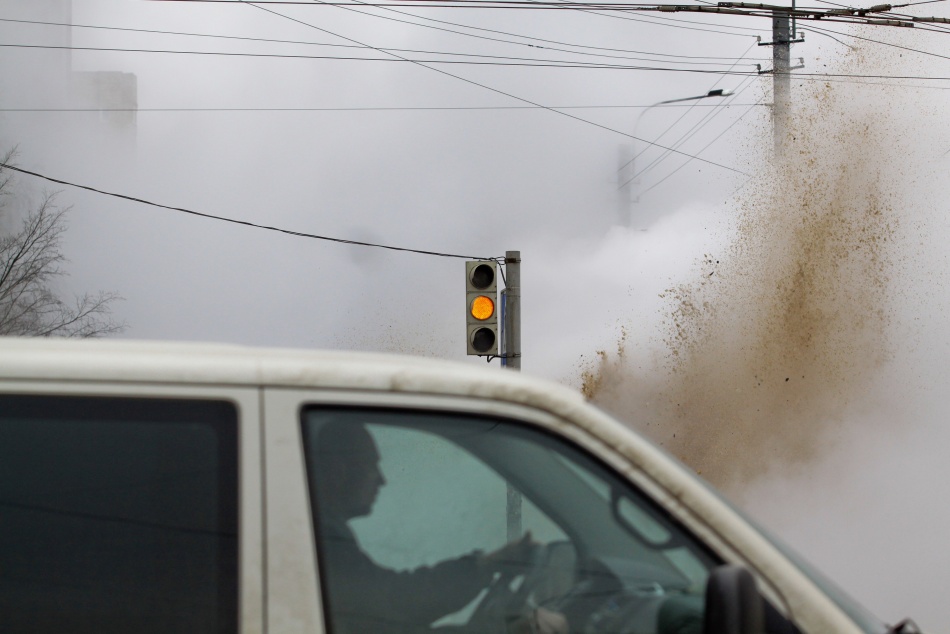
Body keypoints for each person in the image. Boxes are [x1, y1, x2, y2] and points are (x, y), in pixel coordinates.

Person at [311, 421, 568, 634]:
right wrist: (484, 567)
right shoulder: (324, 542)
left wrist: (486, 567)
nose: (382, 480)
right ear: (339, 472)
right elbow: (395, 601)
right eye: (371, 465)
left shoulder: (324, 536)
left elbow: (387, 608)